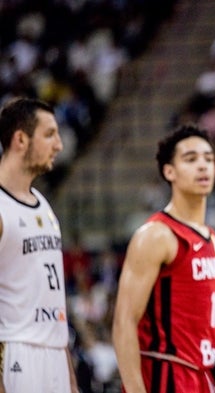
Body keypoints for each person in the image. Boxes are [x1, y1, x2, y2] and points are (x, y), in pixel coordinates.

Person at [112, 124, 215, 393]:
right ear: (169, 171)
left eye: (208, 159)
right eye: (191, 159)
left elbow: (208, 329)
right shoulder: (156, 235)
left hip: (199, 377)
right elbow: (124, 321)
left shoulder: (213, 239)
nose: (203, 166)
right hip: (162, 375)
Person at [0, 97, 78, 392]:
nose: (59, 145)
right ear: (20, 139)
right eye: (49, 134)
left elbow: (53, 300)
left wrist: (68, 371)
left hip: (54, 353)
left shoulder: (44, 205)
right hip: (15, 352)